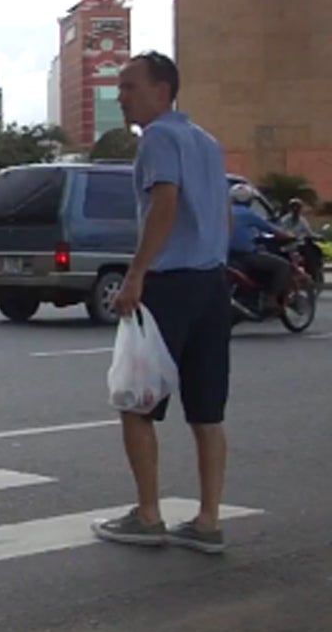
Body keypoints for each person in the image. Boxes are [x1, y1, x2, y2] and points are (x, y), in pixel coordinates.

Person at [92, 51, 232, 555]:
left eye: (130, 87)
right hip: (212, 283)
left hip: (170, 284)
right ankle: (208, 520)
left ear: (162, 89)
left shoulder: (158, 138)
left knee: (135, 400)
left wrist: (136, 274)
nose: (121, 97)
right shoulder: (207, 143)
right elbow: (224, 213)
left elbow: (165, 204)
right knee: (207, 411)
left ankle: (149, 514)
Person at [228, 183, 294, 310]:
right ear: (249, 200)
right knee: (283, 266)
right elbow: (272, 229)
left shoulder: (223, 212)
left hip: (224, 255)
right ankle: (271, 298)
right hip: (245, 256)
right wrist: (289, 236)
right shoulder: (248, 214)